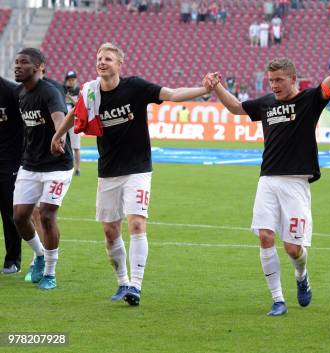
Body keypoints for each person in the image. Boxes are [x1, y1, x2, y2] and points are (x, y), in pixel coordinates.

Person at [51, 43, 214, 305]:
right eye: (99, 58)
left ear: (119, 64)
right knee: (110, 232)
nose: (102, 62)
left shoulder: (135, 87)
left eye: (108, 59)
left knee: (136, 223)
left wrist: (204, 89)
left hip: (137, 168)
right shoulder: (90, 93)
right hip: (108, 171)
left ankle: (136, 286)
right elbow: (74, 113)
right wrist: (58, 135)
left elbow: (171, 94)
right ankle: (123, 282)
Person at [206, 33, 330, 317]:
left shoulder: (309, 99)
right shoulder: (267, 104)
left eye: (279, 80)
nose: (274, 86)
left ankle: (301, 276)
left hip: (296, 183)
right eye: (271, 81)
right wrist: (217, 87)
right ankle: (278, 299)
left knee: (293, 249)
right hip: (268, 180)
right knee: (265, 236)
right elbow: (236, 108)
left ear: (293, 78)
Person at [13, 48, 73, 290]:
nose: (18, 66)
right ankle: (39, 255)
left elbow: (60, 117)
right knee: (19, 217)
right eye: (16, 62)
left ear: (40, 68)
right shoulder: (20, 94)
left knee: (47, 215)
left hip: (57, 165)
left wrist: (59, 137)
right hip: (30, 164)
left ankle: (50, 273)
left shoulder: (49, 91)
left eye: (24, 62)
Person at [0, 75, 23, 274]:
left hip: (9, 162)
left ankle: (12, 260)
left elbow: (24, 126)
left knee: (9, 212)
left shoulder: (11, 91)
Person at [63, 70, 82, 176]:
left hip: (75, 122)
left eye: (73, 79)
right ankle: (66, 166)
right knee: (63, 145)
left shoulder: (79, 91)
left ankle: (78, 169)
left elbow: (80, 107)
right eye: (69, 80)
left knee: (76, 146)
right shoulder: (62, 90)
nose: (71, 82)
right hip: (63, 121)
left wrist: (69, 98)